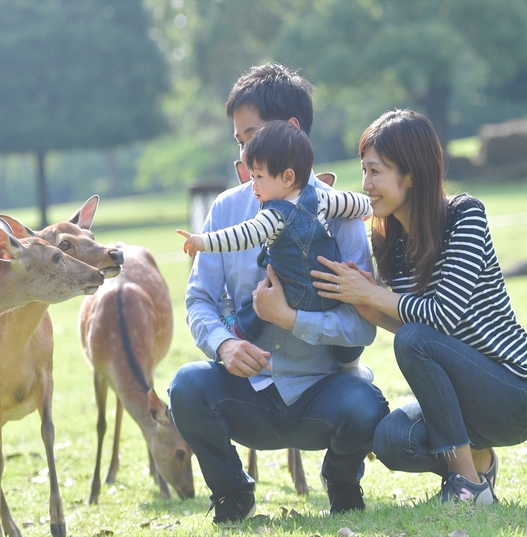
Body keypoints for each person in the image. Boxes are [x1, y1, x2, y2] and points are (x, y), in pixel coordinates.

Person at [167, 64, 390, 524]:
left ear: (290, 130)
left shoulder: (339, 213)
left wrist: (291, 318)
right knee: (187, 386)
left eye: (251, 136)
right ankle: (232, 491)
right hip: (248, 393)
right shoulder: (228, 208)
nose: (244, 153)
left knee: (367, 406)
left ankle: (342, 480)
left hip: (321, 393)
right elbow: (199, 300)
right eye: (238, 141)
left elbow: (361, 328)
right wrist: (225, 345)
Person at [311, 109, 527, 505]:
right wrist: (370, 309)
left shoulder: (465, 215)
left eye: (375, 171)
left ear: (412, 175)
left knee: (414, 339)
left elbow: (442, 316)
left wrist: (374, 296)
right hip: (462, 396)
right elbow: (419, 329)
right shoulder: (390, 240)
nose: (365, 185)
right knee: (391, 440)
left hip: (513, 392)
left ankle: (468, 488)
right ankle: (480, 463)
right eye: (363, 172)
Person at [176, 120, 371, 364]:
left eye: (258, 177)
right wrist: (369, 208)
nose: (252, 184)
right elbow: (353, 203)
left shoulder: (273, 214)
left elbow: (242, 235)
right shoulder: (321, 198)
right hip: (327, 295)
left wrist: (203, 241)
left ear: (288, 177)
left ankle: (237, 330)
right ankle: (346, 356)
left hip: (294, 295)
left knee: (258, 301)